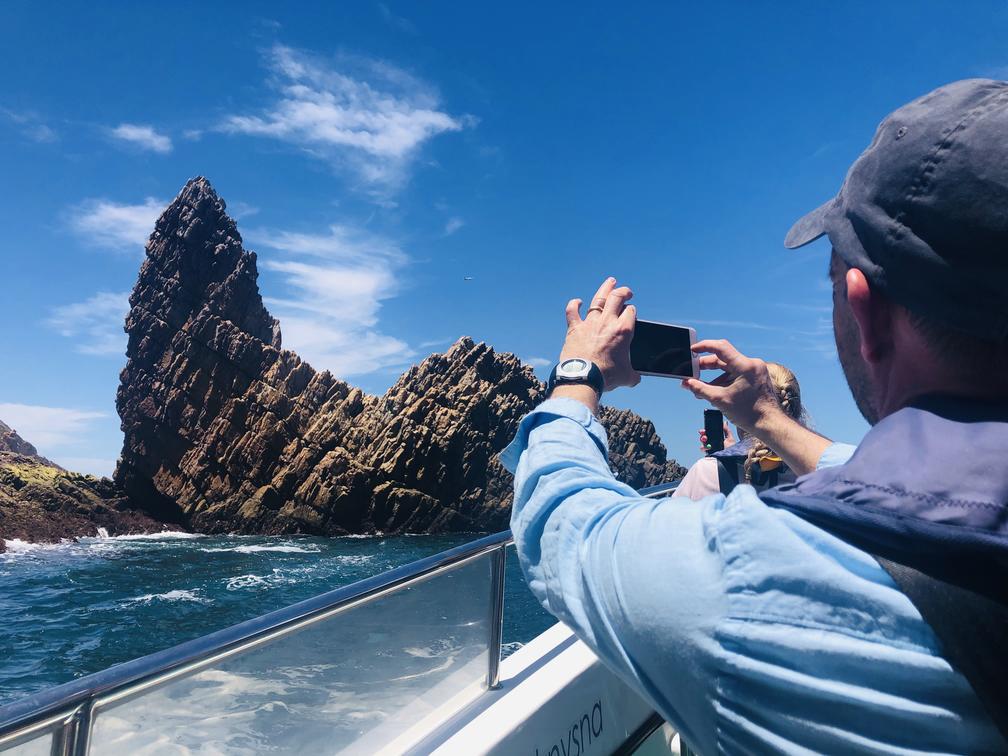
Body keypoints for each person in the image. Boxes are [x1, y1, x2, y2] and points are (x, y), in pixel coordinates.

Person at [501, 78, 1008, 753]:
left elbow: (564, 529)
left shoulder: (753, 583)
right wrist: (766, 418)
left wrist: (578, 373)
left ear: (866, 312)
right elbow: (914, 489)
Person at [676, 362, 805, 500]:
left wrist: (726, 456)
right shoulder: (817, 472)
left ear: (739, 412)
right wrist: (732, 450)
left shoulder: (707, 473)